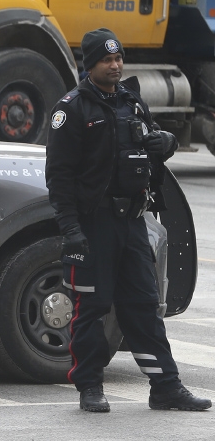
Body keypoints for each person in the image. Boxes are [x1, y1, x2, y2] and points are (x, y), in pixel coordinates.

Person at [46, 27, 211, 413]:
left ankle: (166, 387)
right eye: (107, 60)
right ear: (91, 65)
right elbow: (59, 177)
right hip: (93, 225)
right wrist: (70, 229)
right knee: (93, 308)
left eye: (119, 58)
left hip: (133, 222)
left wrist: (165, 144)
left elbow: (151, 148)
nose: (116, 65)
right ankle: (89, 387)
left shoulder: (132, 103)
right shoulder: (69, 110)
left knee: (144, 305)